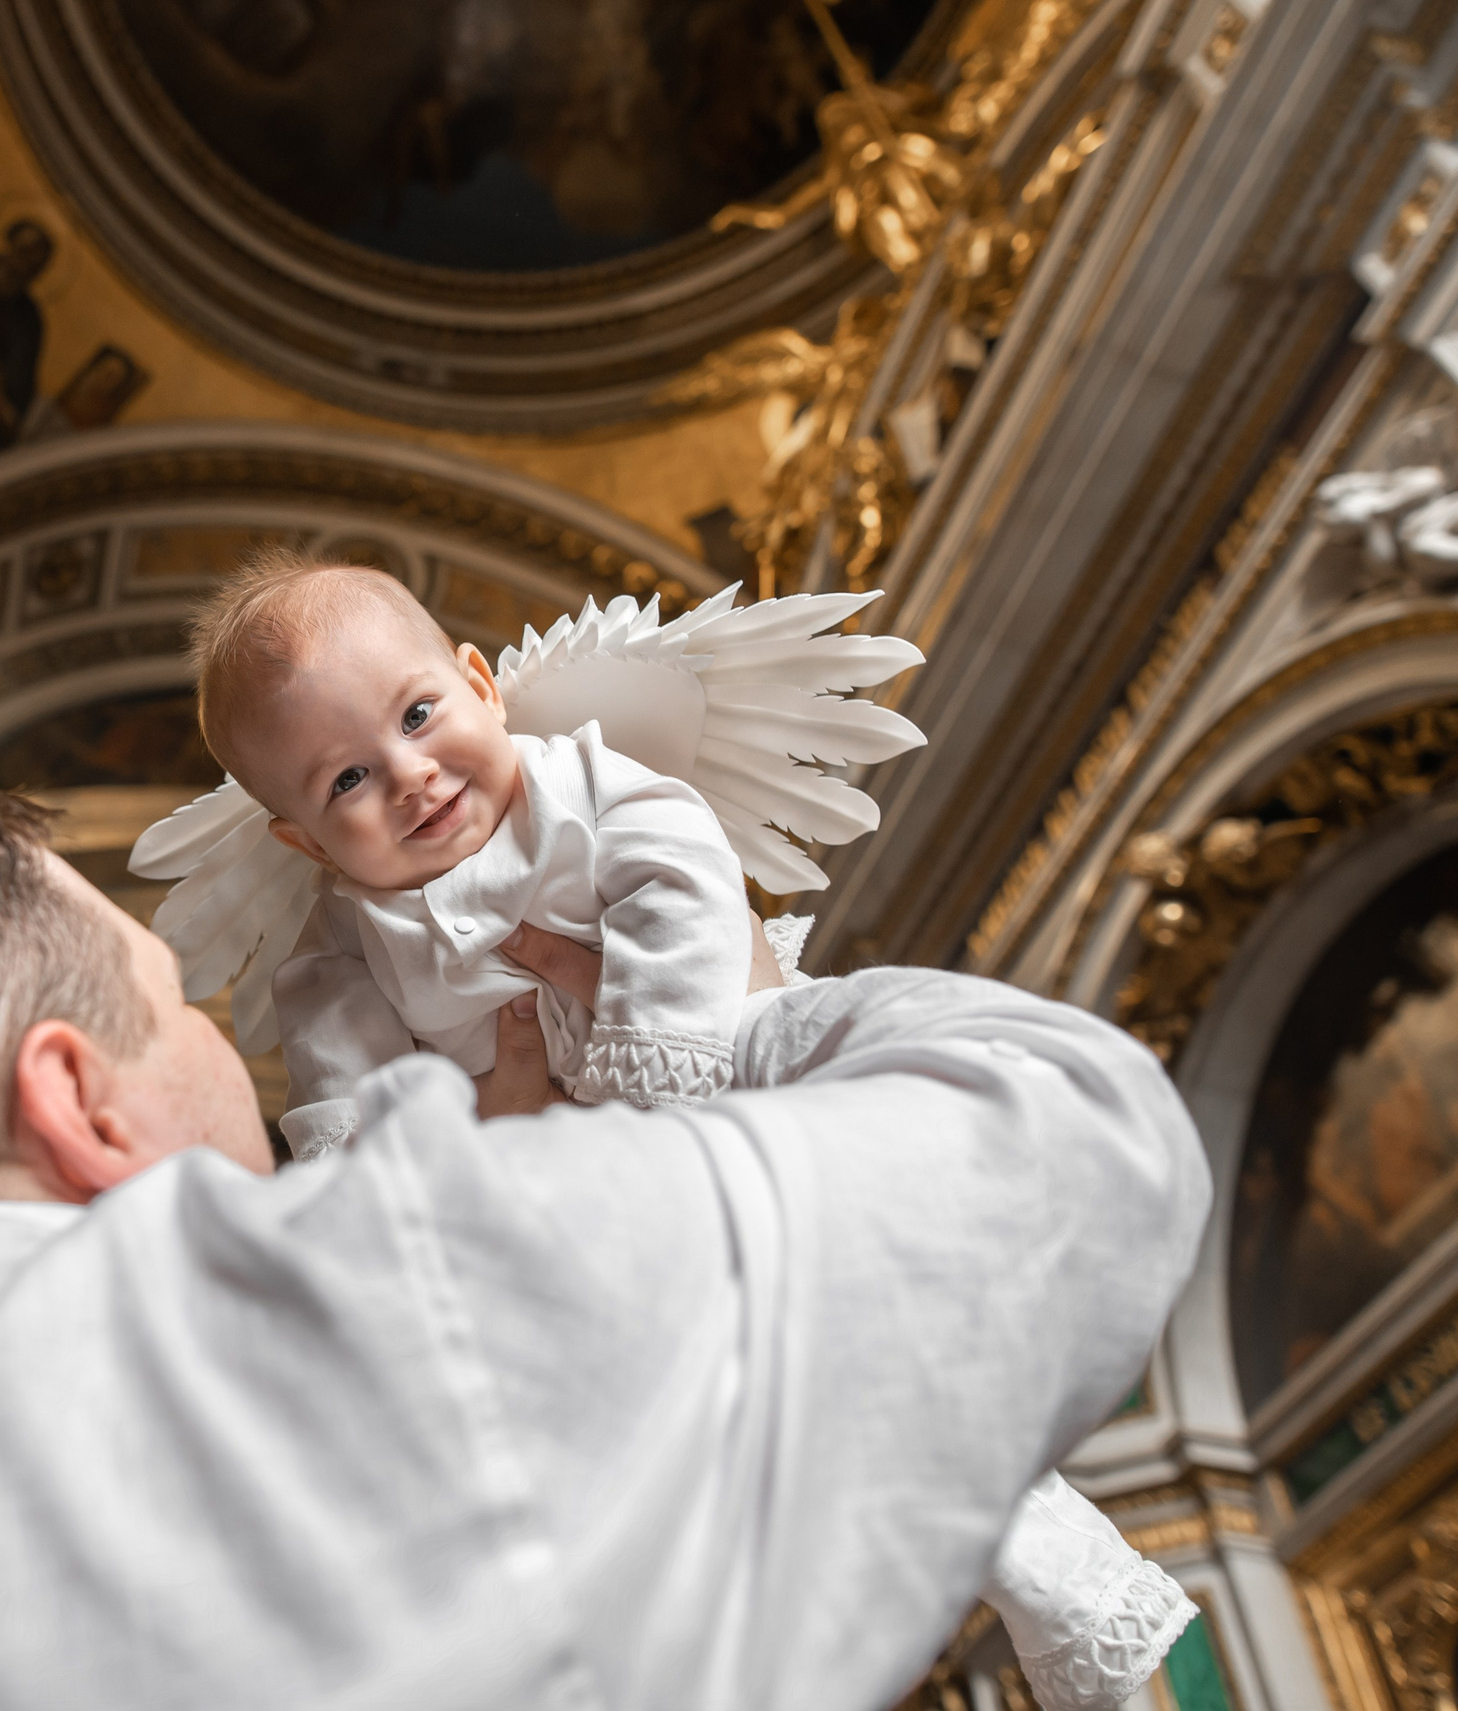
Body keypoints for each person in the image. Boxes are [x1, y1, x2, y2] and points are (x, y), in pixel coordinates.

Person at [0, 766, 1209, 1711]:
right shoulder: (292, 1312)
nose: (230, 1052)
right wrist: (715, 1029)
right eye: (174, 1005)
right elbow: (1076, 1136)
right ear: (78, 1102)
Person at [144, 556, 1194, 1706]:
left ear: (482, 683)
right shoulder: (338, 958)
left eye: (418, 713)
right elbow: (350, 1118)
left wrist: (656, 1071)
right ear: (300, 840)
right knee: (791, 1405)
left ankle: (1079, 1594)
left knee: (874, 1127)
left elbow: (681, 876)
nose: (409, 775)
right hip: (589, 1200)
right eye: (346, 777)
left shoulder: (582, 785)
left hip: (736, 1059)